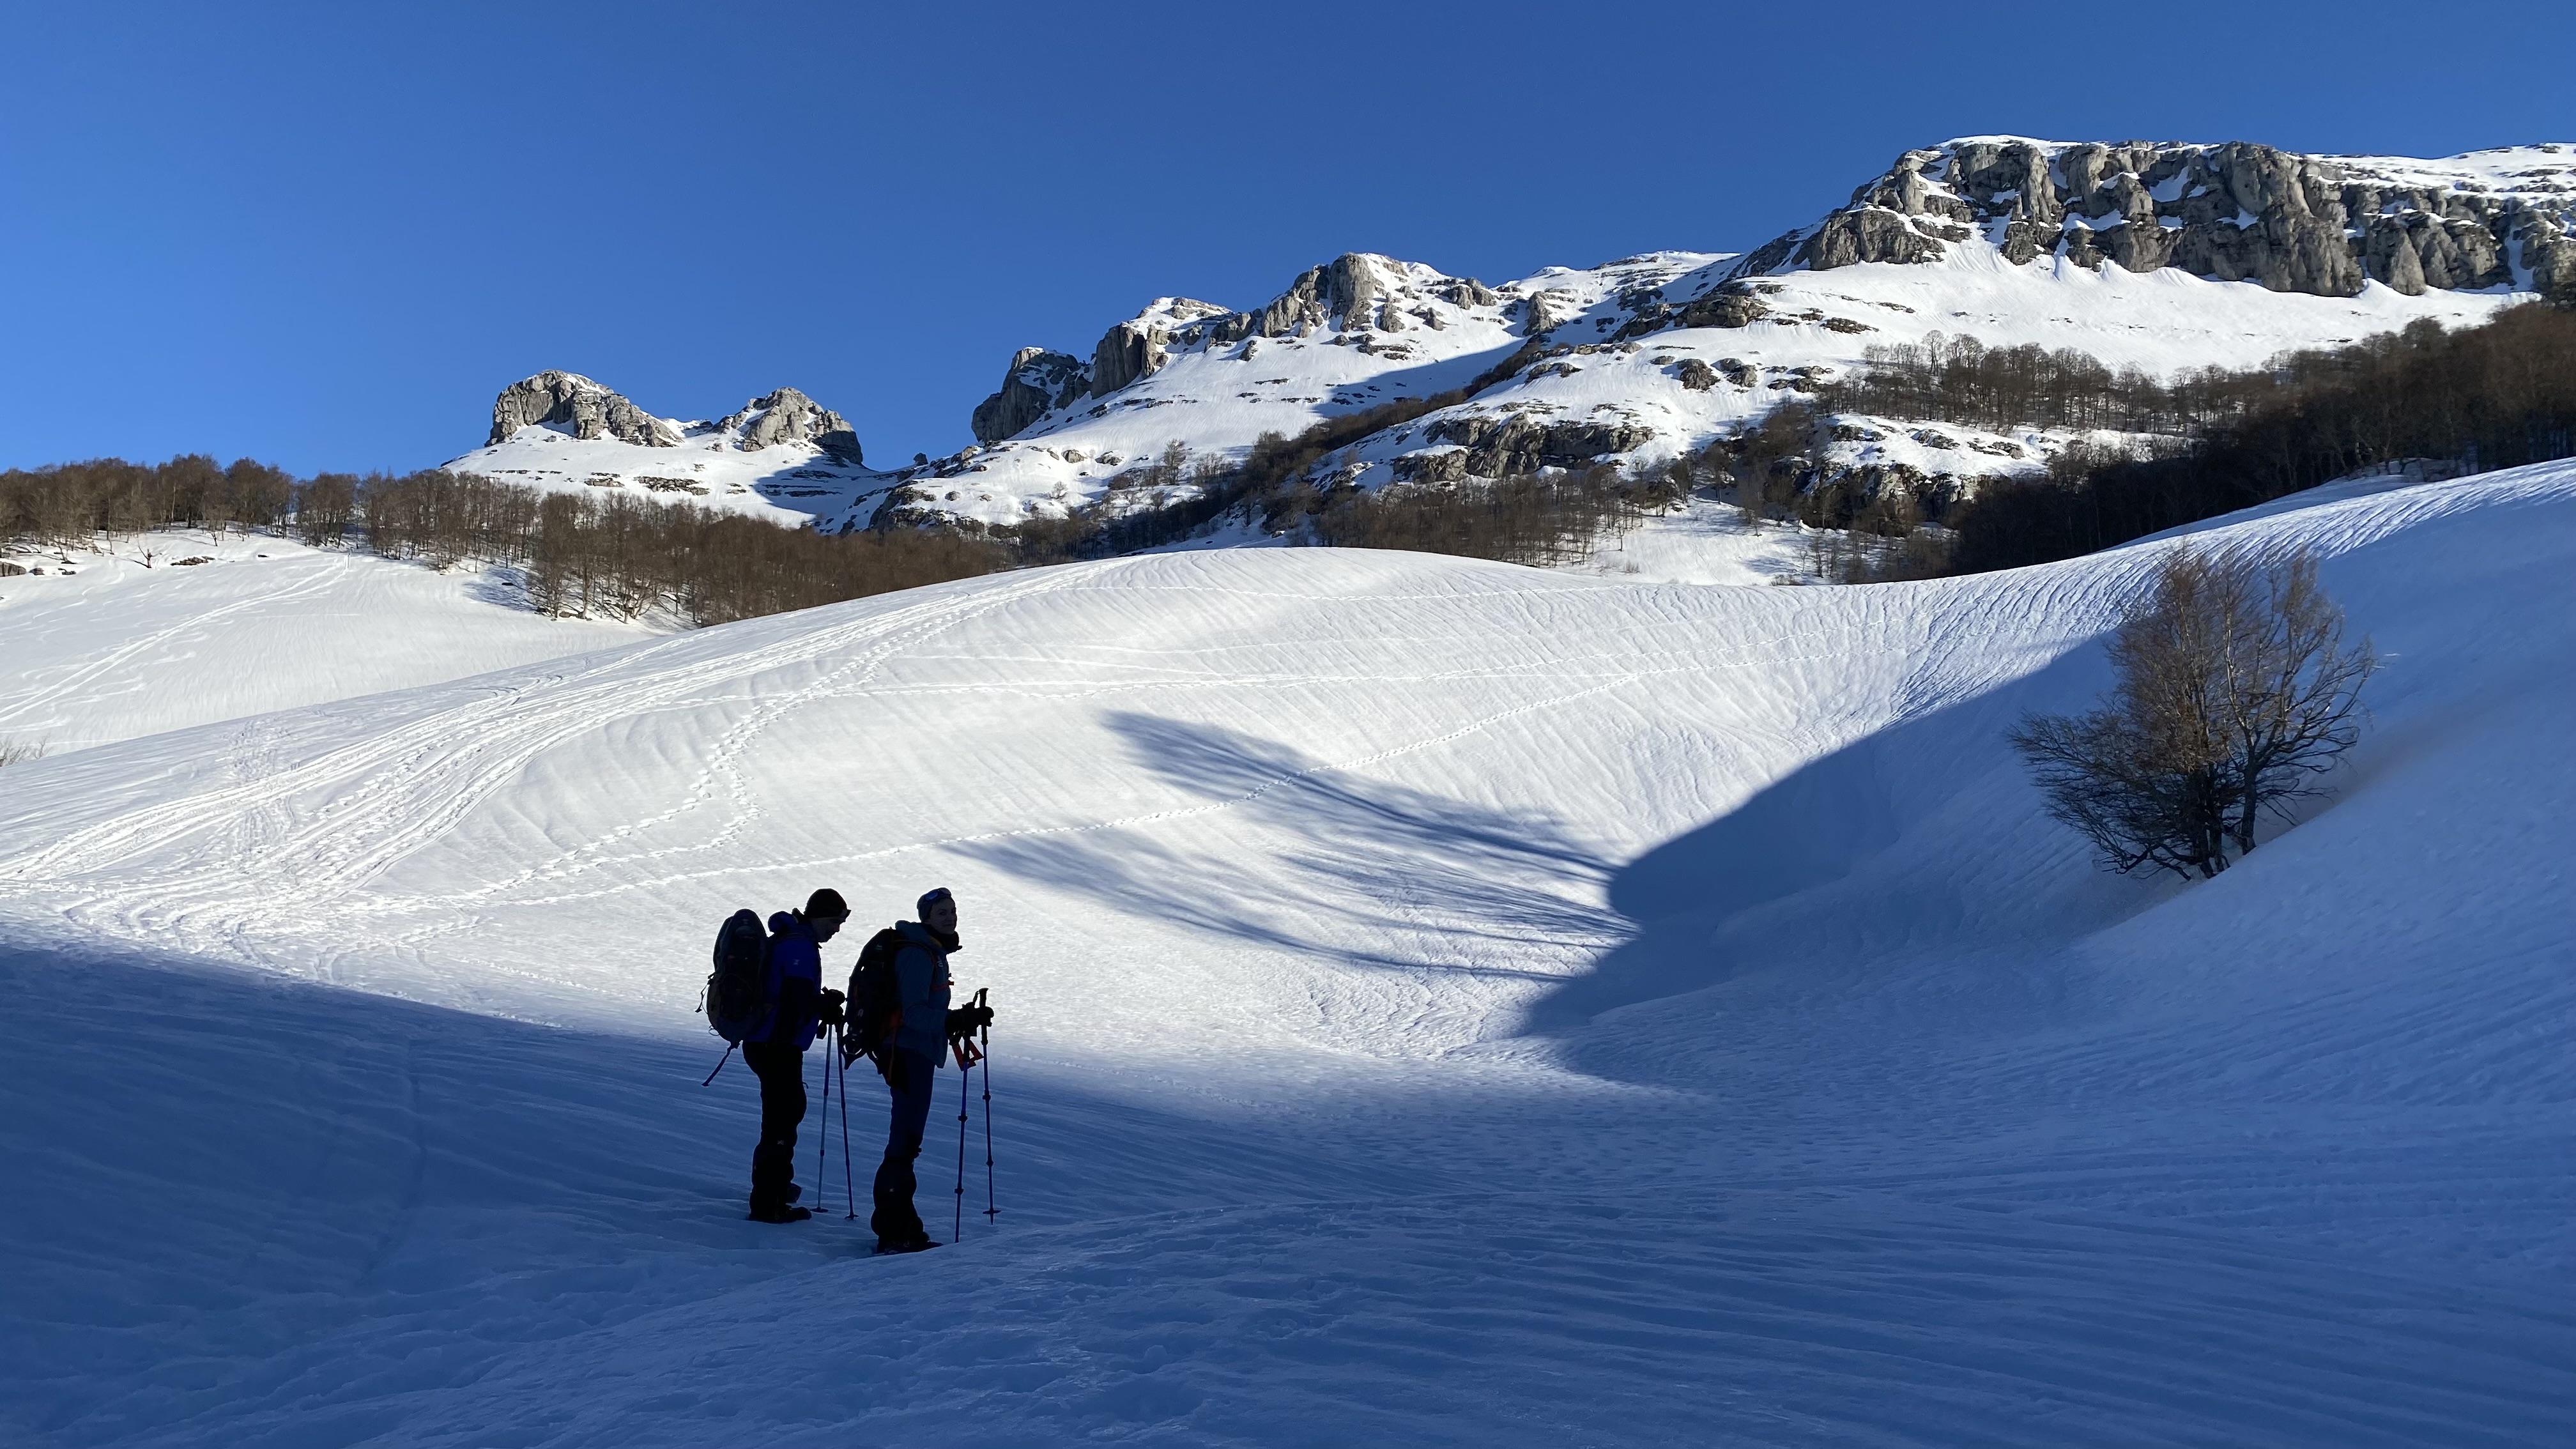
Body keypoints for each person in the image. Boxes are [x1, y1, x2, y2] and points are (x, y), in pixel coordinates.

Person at [871, 885, 965, 1254]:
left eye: (952, 911)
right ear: (925, 917)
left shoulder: (932, 951)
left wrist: (955, 1019)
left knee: (907, 1140)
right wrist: (952, 1020)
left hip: (916, 1053)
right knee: (905, 1140)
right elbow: (913, 1014)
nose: (950, 917)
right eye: (941, 912)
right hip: (908, 1054)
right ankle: (895, 1232)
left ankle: (902, 1227)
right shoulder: (918, 953)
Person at [745, 887, 848, 1223]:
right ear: (818, 917)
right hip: (776, 1045)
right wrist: (827, 1003)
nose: (837, 929)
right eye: (834, 921)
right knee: (782, 1119)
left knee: (784, 1114)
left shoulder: (792, 940)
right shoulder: (799, 946)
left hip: (767, 1042)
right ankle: (768, 1202)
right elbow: (798, 998)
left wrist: (822, 1004)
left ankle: (775, 1187)